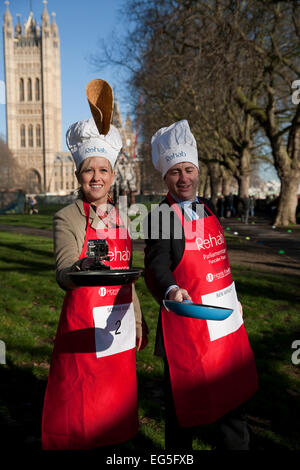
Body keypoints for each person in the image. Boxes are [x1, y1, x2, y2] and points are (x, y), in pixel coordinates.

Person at [143, 120, 258, 451]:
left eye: (189, 170)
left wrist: (233, 298)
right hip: (187, 329)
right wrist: (170, 290)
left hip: (224, 323)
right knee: (184, 413)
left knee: (233, 406)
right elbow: (156, 267)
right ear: (165, 178)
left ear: (198, 171)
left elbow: (218, 261)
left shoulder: (208, 208)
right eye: (176, 172)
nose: (184, 178)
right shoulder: (161, 216)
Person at [42, 116, 148, 450]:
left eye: (103, 170)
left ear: (113, 176)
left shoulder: (121, 217)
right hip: (83, 331)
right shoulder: (68, 217)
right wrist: (81, 268)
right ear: (78, 176)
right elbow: (63, 271)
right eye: (89, 170)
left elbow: (127, 277)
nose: (96, 177)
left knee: (115, 415)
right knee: (81, 414)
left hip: (118, 332)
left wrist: (140, 323)